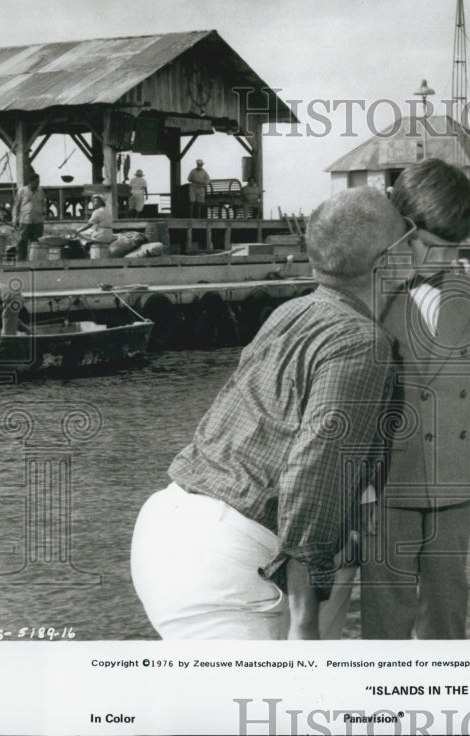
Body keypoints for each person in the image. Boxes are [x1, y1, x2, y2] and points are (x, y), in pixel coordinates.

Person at [130, 187, 416, 639]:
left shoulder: (290, 312)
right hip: (228, 560)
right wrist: (304, 625)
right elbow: (314, 475)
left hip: (169, 526)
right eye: (408, 237)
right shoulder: (362, 343)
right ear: (387, 261)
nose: (417, 246)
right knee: (267, 705)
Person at [360, 158, 470, 640]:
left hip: (454, 477)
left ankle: (446, 697)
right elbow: (353, 393)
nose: (441, 259)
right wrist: (358, 477)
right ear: (401, 231)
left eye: (453, 249)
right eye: (429, 246)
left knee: (447, 599)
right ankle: (384, 705)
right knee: (386, 602)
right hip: (387, 478)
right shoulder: (371, 293)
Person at [12, 173, 46, 261]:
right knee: (22, 241)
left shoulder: (41, 191)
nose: (38, 183)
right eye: (36, 181)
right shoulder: (22, 191)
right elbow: (16, 205)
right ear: (30, 182)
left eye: (39, 181)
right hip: (24, 220)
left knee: (37, 242)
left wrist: (43, 212)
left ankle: (35, 262)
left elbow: (43, 204)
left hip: (38, 221)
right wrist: (14, 218)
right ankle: (21, 261)